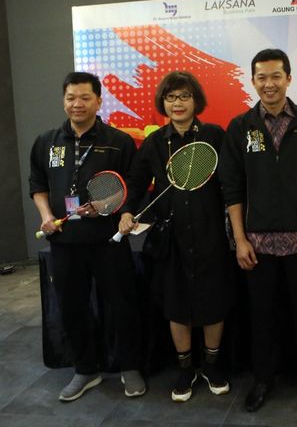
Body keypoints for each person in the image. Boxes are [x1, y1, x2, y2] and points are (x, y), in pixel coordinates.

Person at [219, 48, 297, 411]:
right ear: (253, 81)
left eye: (276, 76)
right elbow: (232, 189)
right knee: (262, 317)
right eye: (262, 77)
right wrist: (239, 239)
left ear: (288, 78)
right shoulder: (239, 127)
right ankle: (263, 379)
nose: (269, 84)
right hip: (258, 243)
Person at [29, 72, 145, 401]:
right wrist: (47, 217)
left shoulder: (119, 140)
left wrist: (110, 207)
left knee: (122, 305)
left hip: (108, 241)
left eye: (84, 98)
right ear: (63, 100)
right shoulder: (46, 141)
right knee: (71, 307)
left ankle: (130, 367)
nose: (76, 104)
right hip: (64, 244)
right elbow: (37, 184)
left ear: (98, 100)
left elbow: (131, 188)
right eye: (70, 98)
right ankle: (85, 369)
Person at [118, 71, 231, 402]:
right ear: (162, 103)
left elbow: (230, 182)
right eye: (171, 98)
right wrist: (127, 210)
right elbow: (137, 183)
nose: (177, 103)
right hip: (171, 237)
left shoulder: (214, 135)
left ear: (196, 100)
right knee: (176, 304)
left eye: (184, 96)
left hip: (211, 235)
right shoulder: (155, 142)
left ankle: (211, 364)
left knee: (213, 302)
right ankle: (185, 369)